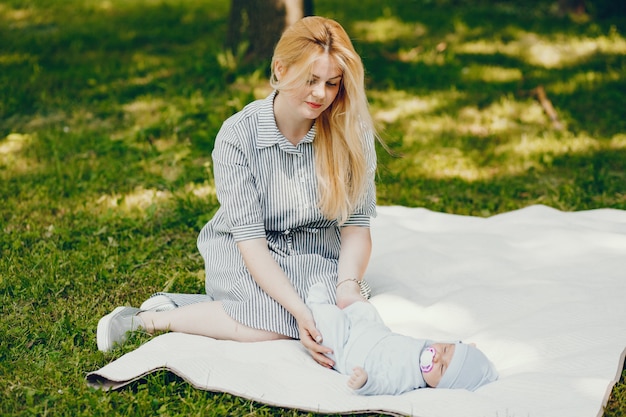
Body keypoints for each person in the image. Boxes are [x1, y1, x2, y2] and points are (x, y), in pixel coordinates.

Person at [97, 15, 378, 369]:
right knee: (279, 324)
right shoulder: (237, 136)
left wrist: (348, 285)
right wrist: (298, 311)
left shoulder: (350, 133)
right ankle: (150, 320)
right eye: (311, 80)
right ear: (280, 69)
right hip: (244, 250)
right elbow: (252, 244)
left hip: (313, 248)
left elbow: (356, 229)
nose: (321, 94)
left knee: (332, 321)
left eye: (333, 83)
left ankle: (182, 306)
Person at [306, 283, 498, 395]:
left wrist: (365, 382)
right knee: (366, 310)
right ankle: (348, 307)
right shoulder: (424, 346)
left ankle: (316, 304)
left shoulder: (408, 378)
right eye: (446, 349)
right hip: (371, 332)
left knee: (332, 322)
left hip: (346, 349)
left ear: (438, 386)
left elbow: (385, 384)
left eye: (441, 368)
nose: (438, 357)